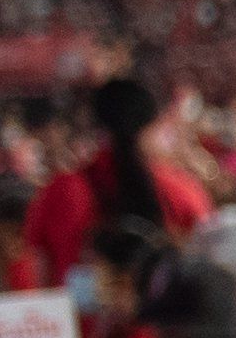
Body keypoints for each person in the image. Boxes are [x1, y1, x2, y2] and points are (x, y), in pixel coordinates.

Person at [22, 75, 203, 290]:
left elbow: (40, 276)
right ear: (151, 127)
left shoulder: (59, 190)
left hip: (81, 322)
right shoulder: (179, 191)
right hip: (162, 321)